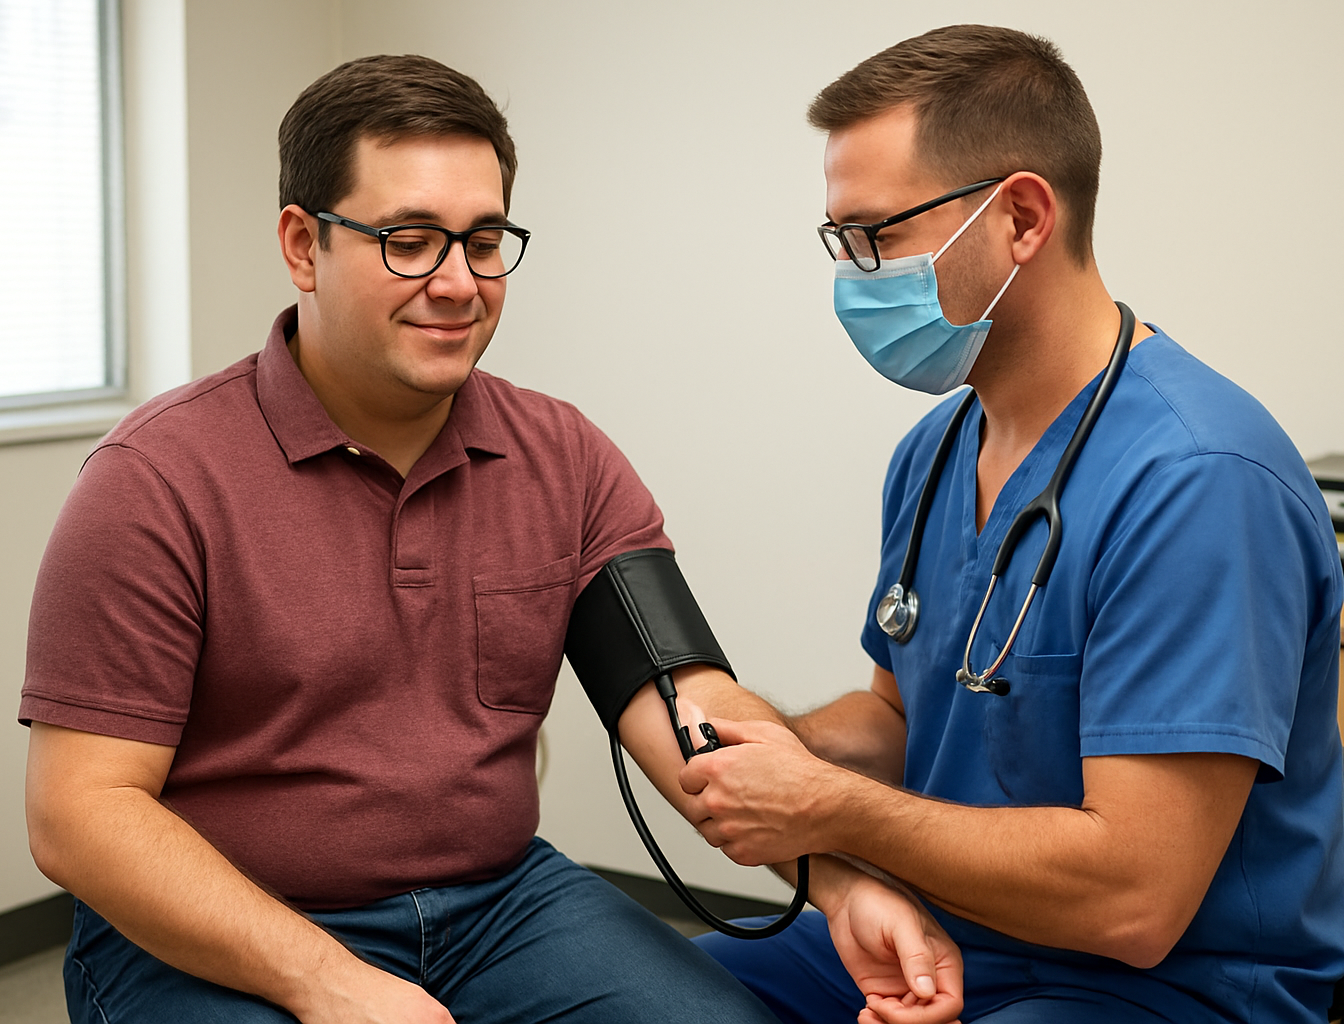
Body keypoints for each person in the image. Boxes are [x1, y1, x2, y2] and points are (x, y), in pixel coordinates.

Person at [17, 53, 940, 1024]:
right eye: (410, 240)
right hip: (221, 924)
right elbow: (80, 815)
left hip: (499, 905)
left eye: (485, 239)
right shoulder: (155, 481)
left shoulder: (565, 457)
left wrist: (836, 882)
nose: (459, 282)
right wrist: (327, 981)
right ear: (302, 245)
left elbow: (688, 712)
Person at [681, 24, 1344, 1024]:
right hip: (958, 928)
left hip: (1162, 986)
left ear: (1022, 216)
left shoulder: (1200, 482)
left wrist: (833, 809)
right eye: (841, 242)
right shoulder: (938, 449)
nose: (856, 279)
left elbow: (1135, 900)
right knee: (625, 990)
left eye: (877, 237)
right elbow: (903, 718)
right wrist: (777, 746)